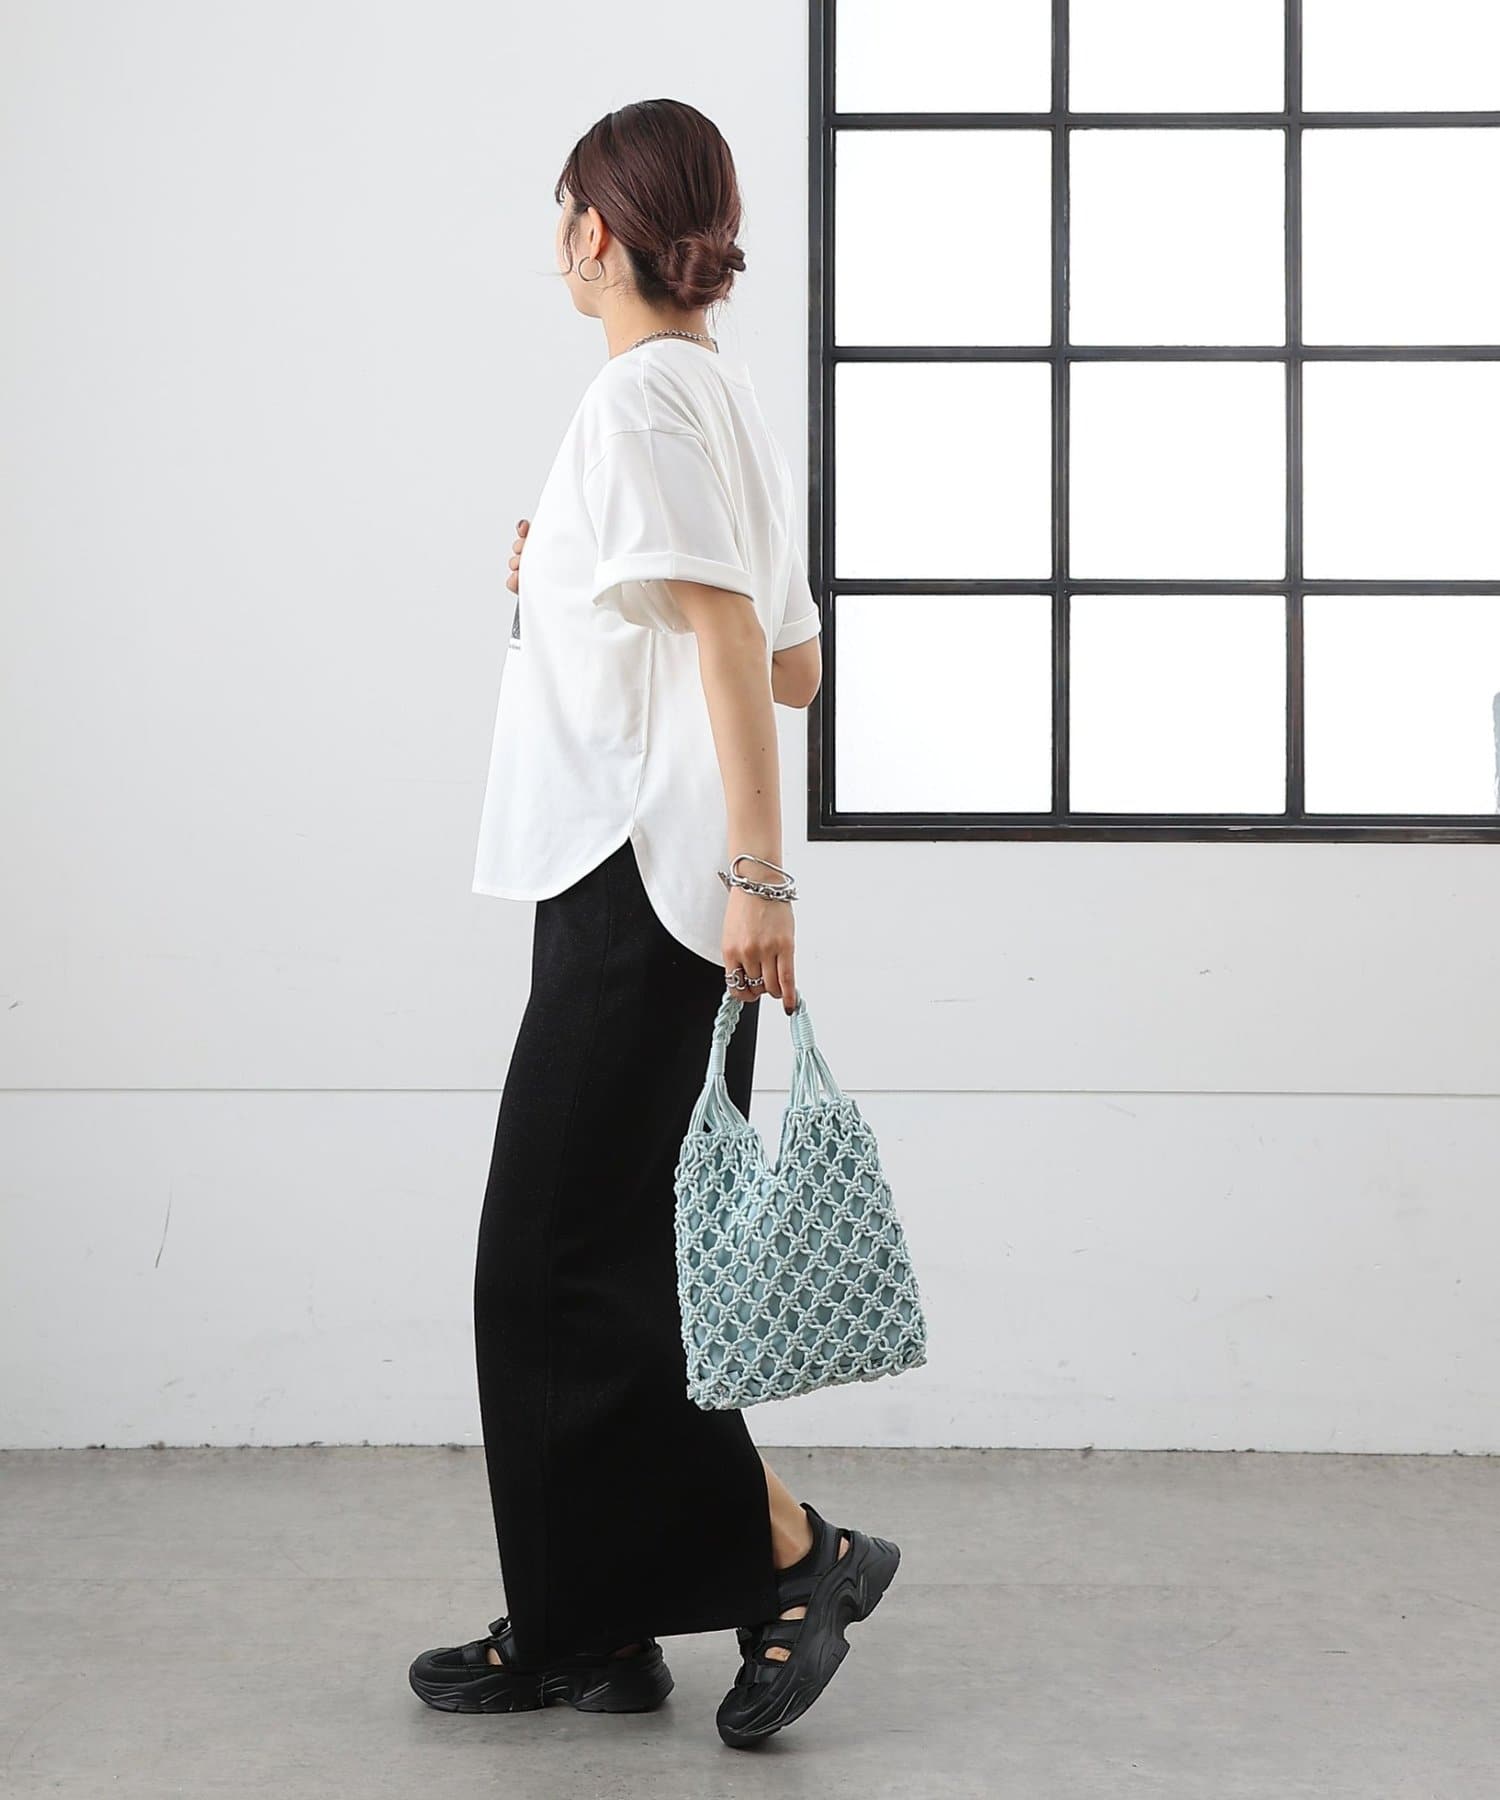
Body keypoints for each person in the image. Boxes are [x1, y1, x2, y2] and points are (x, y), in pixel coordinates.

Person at [405, 99, 900, 1747]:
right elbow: (797, 660)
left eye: (564, 213)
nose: (557, 240)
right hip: (646, 882)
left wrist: (764, 876)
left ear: (597, 231)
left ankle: (796, 1556)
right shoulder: (713, 394)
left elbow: (737, 648)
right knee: (609, 1268)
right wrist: (565, 577)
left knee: (550, 1271)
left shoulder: (635, 400)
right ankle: (592, 1625)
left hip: (640, 883)